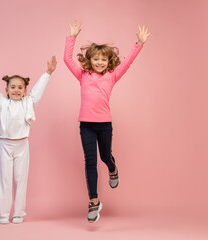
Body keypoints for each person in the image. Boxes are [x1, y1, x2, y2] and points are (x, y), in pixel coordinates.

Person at [63, 21, 150, 223]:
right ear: (90, 60)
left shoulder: (112, 76)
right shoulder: (82, 75)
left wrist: (139, 44)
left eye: (103, 59)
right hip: (85, 125)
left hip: (104, 125)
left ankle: (113, 168)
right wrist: (72, 37)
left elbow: (127, 63)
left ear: (108, 61)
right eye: (96, 59)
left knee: (105, 156)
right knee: (90, 162)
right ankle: (93, 201)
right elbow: (67, 60)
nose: (100, 62)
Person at [0, 53, 57, 224]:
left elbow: (39, 90)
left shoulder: (29, 103)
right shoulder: (2, 103)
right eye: (12, 87)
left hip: (22, 146)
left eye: (20, 87)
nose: (16, 90)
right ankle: (3, 214)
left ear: (25, 90)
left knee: (21, 180)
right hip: (5, 145)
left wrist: (48, 72)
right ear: (7, 90)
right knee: (4, 180)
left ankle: (18, 213)